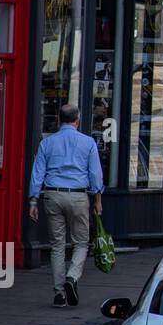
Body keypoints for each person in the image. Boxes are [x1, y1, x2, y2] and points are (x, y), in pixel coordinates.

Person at [28, 104, 104, 308]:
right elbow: (95, 174)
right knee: (81, 243)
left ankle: (59, 291)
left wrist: (33, 200)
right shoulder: (88, 143)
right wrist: (97, 200)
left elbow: (38, 173)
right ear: (77, 120)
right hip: (78, 196)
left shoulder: (47, 143)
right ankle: (72, 277)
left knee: (57, 245)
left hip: (52, 195)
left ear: (60, 120)